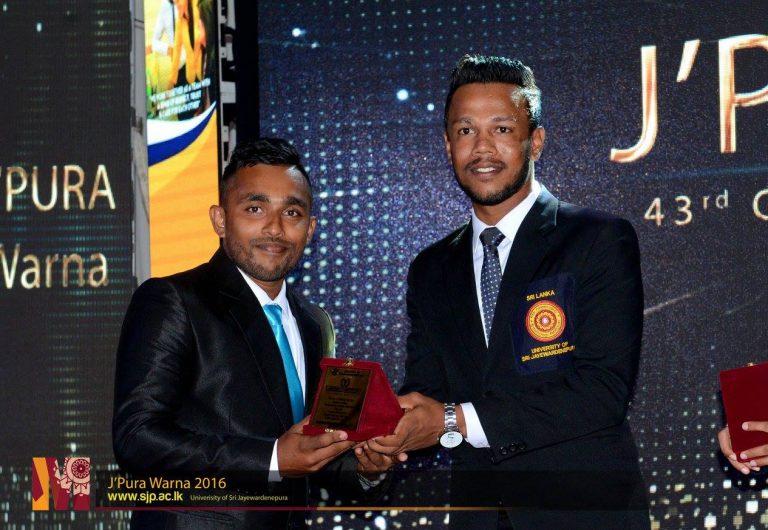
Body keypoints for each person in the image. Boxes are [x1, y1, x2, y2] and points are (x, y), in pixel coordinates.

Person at [366, 54, 649, 529]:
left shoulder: (597, 239)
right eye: (465, 131)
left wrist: (454, 421)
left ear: (535, 140)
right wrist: (382, 442)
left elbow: (602, 391)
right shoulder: (431, 269)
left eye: (500, 129)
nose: (482, 148)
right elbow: (428, 392)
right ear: (447, 145)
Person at [113, 138, 397, 529]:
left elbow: (310, 449)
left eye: (292, 212)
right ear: (220, 219)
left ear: (310, 229)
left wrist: (367, 468)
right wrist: (273, 459)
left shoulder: (315, 324)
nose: (275, 228)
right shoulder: (174, 299)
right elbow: (137, 438)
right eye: (255, 208)